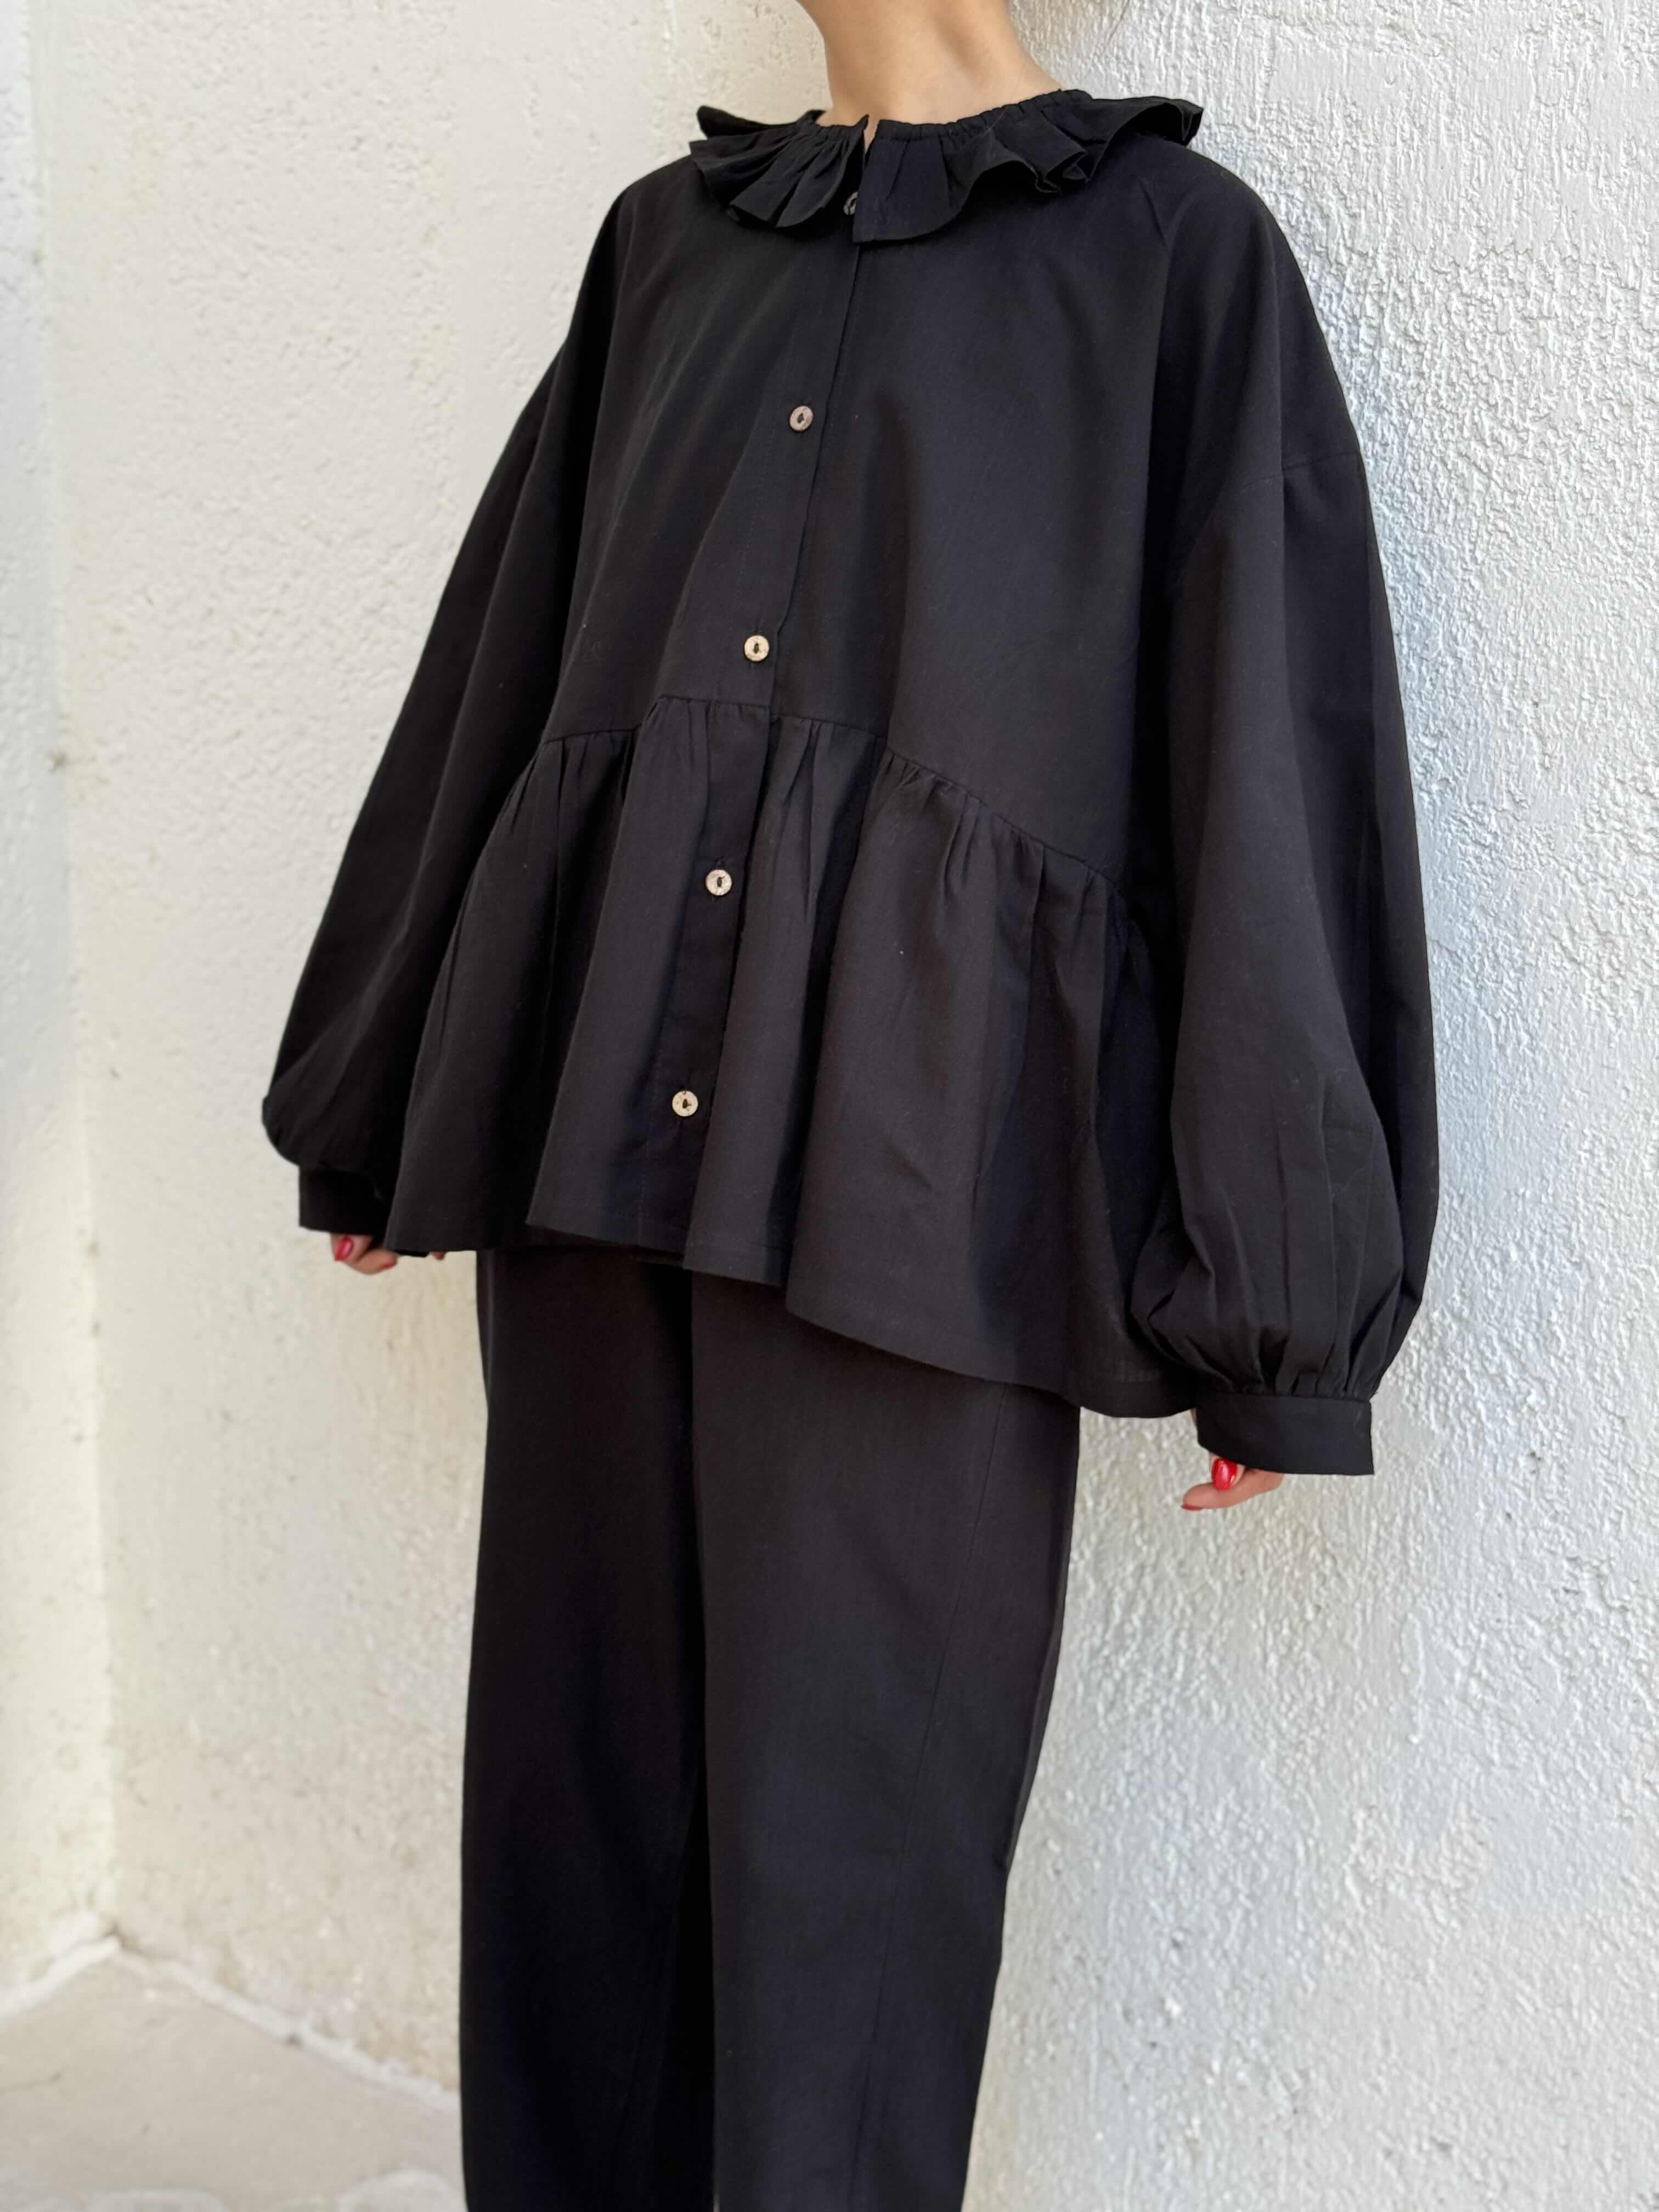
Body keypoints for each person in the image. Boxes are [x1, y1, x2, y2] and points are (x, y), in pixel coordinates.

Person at [261, 0, 1438, 2202]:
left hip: (932, 1182)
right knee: (577, 1847)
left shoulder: (1177, 260)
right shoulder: (665, 248)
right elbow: (509, 658)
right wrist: (392, 1078)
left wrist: (1279, 1305)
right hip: (596, 1154)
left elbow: (1268, 756)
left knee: (852, 1903)